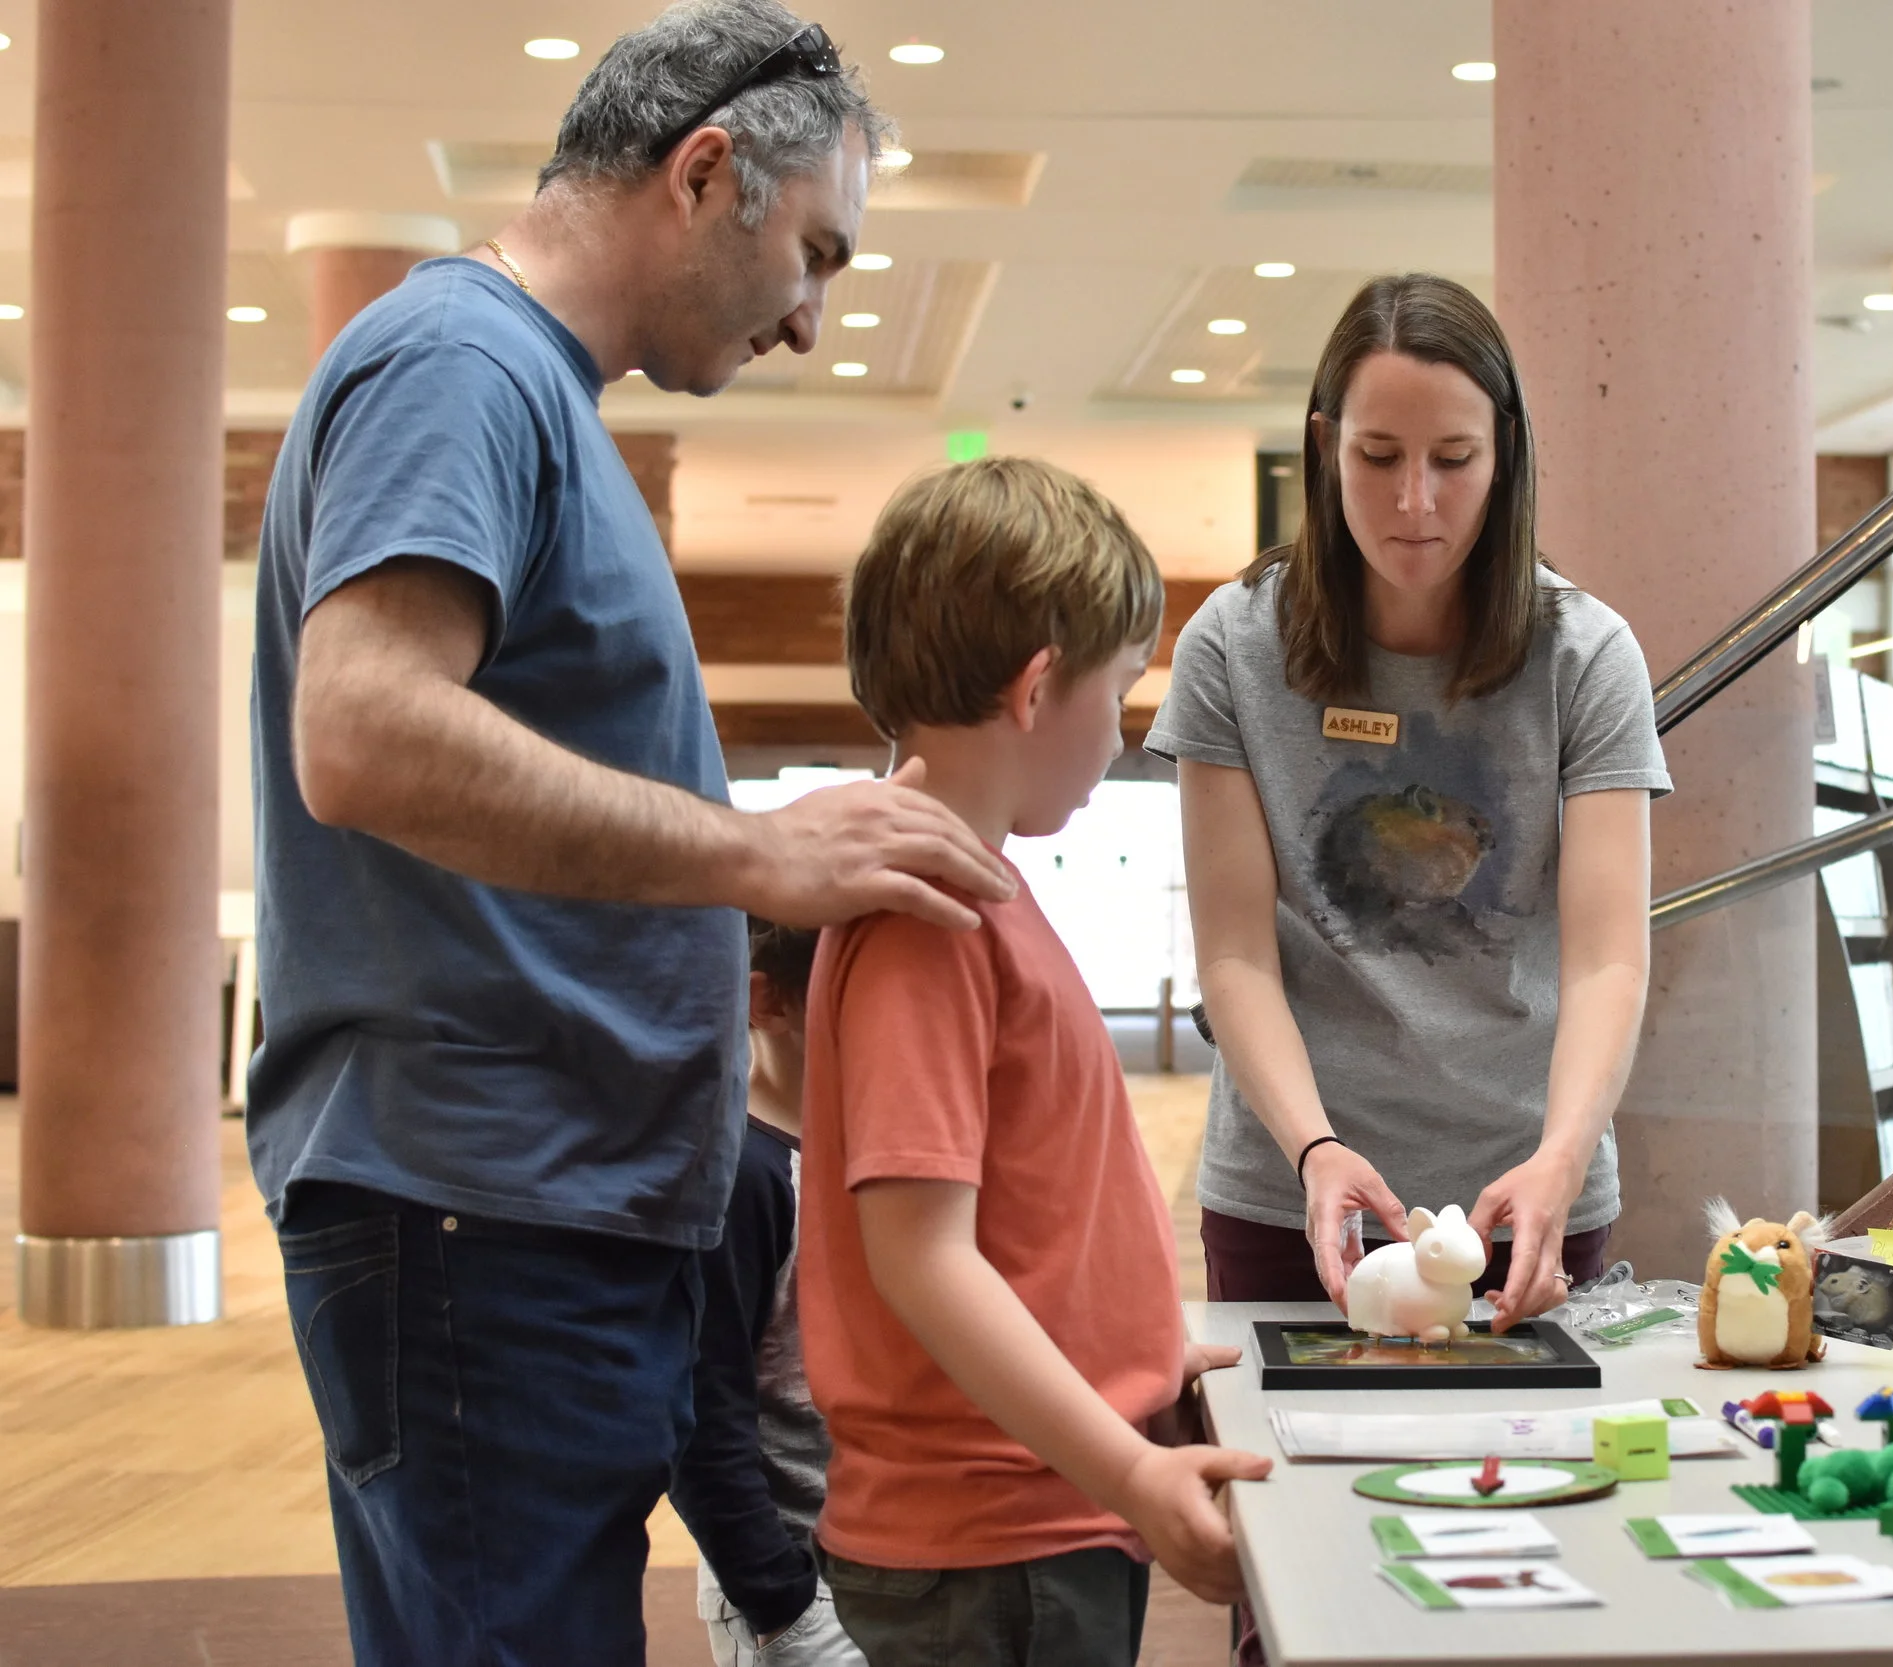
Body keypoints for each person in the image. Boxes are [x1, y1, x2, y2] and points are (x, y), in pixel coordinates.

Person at [249, 6, 1014, 1662]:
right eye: (815, 254)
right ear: (706, 172)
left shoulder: (528, 389)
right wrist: (757, 855)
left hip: (535, 1219)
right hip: (483, 1216)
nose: (810, 319)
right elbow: (361, 729)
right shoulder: (460, 364)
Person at [798, 457, 1273, 1666]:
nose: (1120, 734)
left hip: (1026, 1521)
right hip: (994, 1541)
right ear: (1037, 686)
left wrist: (1128, 1350)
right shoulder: (928, 913)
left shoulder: (972, 887)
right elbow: (923, 1256)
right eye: (1119, 691)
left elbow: (1018, 1205)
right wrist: (1129, 1464)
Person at [1147, 273, 1671, 1331]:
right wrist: (1314, 1148)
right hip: (1293, 1192)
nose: (1415, 502)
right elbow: (1235, 953)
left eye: (1454, 459)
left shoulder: (1586, 654)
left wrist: (1563, 1157)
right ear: (1324, 445)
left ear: (1506, 452)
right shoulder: (1231, 646)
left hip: (1526, 1187)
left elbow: (1607, 957)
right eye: (1378, 457)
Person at [670, 919, 865, 1667]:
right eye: (862, 988)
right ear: (767, 1002)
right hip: (801, 1590)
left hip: (888, 1567)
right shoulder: (740, 1178)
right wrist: (782, 1601)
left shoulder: (873, 1148)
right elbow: (697, 1413)